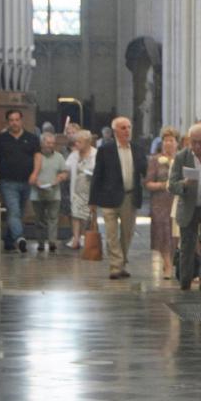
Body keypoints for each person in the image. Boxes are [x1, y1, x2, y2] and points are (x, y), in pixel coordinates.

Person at [89, 116, 146, 279]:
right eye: (123, 128)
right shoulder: (106, 150)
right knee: (111, 233)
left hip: (130, 197)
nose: (127, 130)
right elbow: (97, 175)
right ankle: (115, 266)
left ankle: (122, 262)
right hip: (109, 197)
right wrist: (92, 201)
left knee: (127, 233)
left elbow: (144, 170)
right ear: (115, 131)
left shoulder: (137, 148)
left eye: (129, 127)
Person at [169, 124, 201, 291]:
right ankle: (185, 280)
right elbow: (171, 184)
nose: (197, 146)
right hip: (188, 206)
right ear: (189, 141)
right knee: (187, 244)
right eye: (194, 142)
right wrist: (184, 184)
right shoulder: (181, 157)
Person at [0, 109, 41, 253]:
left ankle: (9, 241)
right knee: (13, 211)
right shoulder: (0, 139)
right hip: (7, 181)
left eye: (17, 120)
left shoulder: (32, 138)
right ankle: (20, 238)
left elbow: (37, 157)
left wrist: (35, 173)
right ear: (8, 122)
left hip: (26, 180)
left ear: (21, 120)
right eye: (11, 120)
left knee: (18, 213)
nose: (14, 123)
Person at [145, 126, 179, 278]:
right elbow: (148, 183)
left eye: (171, 140)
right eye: (165, 141)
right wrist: (162, 185)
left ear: (176, 143)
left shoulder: (181, 158)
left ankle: (172, 260)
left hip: (176, 200)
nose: (168, 144)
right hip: (160, 201)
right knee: (163, 233)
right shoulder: (155, 160)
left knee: (174, 234)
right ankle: (167, 264)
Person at [29, 132, 68, 251]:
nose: (50, 145)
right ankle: (40, 242)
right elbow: (30, 174)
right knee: (39, 219)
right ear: (42, 144)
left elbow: (65, 172)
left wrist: (60, 178)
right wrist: (36, 182)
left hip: (54, 192)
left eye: (52, 143)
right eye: (48, 143)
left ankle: (52, 242)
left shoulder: (59, 157)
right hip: (37, 193)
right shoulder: (35, 156)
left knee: (53, 218)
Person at [65, 129, 97, 249]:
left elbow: (99, 171)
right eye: (76, 142)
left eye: (79, 142)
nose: (76, 144)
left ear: (87, 142)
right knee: (75, 214)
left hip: (89, 189)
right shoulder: (74, 154)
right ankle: (76, 238)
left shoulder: (95, 154)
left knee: (85, 216)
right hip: (76, 189)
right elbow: (66, 167)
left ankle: (84, 236)